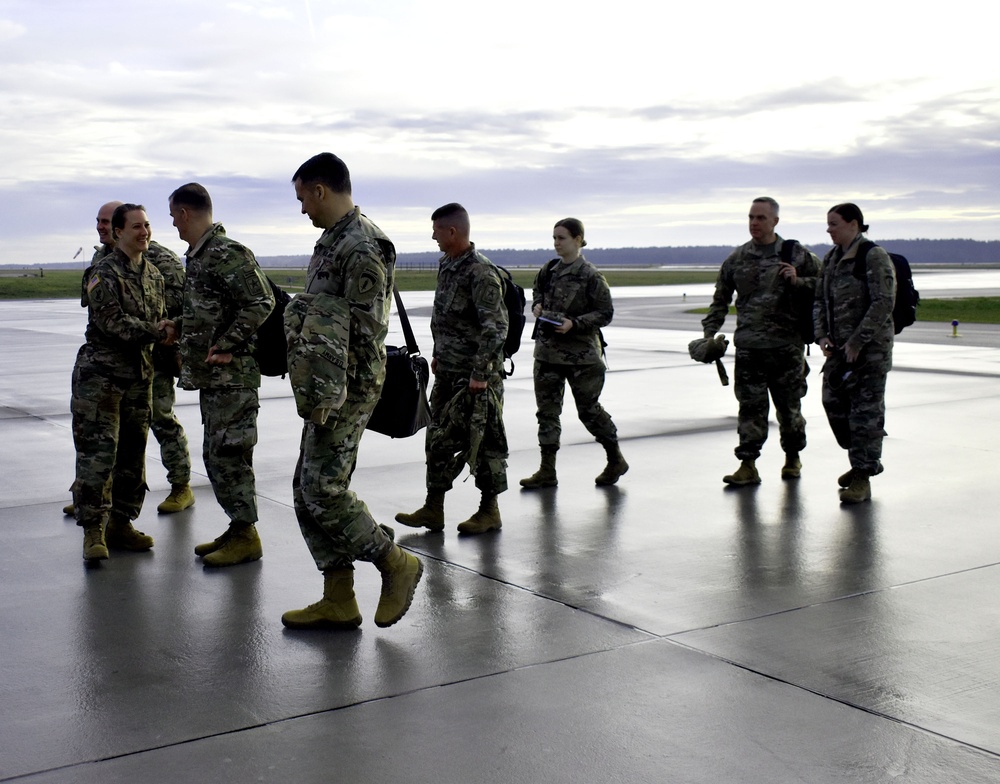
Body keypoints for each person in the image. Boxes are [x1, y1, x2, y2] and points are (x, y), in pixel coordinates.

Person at [280, 152, 423, 630]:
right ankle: (338, 596)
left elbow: (363, 328)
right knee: (306, 490)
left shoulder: (361, 247)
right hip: (326, 385)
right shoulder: (333, 241)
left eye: (303, 198)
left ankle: (394, 562)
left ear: (321, 190)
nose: (303, 209)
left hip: (348, 386)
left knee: (322, 489)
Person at [163, 183, 274, 566]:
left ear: (185, 213)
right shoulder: (200, 255)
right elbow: (212, 309)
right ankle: (238, 526)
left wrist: (227, 343)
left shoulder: (227, 252)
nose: (173, 225)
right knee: (217, 455)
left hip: (234, 378)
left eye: (174, 216)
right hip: (213, 378)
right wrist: (179, 325)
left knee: (229, 455)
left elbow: (262, 301)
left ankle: (247, 534)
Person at [64, 203, 194, 517]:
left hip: (153, 357)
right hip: (116, 361)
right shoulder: (102, 261)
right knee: (104, 436)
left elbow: (176, 304)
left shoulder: (159, 259)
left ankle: (181, 484)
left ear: (121, 225)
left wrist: (165, 335)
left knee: (160, 418)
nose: (100, 227)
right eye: (98, 221)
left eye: (106, 221)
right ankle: (98, 501)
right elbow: (102, 313)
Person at [395, 203, 509, 535]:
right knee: (436, 438)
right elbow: (447, 318)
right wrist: (439, 355)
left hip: (476, 378)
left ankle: (489, 511)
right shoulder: (447, 265)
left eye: (436, 230)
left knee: (484, 441)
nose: (433, 235)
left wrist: (481, 374)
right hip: (447, 373)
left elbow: (495, 329)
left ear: (452, 231)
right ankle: (434, 508)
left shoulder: (481, 273)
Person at [71, 204, 169, 561]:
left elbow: (157, 322)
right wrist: (156, 332)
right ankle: (93, 531)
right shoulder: (102, 273)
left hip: (139, 379)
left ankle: (121, 523)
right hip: (102, 379)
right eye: (136, 227)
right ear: (118, 232)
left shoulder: (155, 276)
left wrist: (167, 331)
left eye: (147, 225)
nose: (144, 232)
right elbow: (112, 322)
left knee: (132, 456)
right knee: (98, 457)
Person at [702, 197, 822, 485]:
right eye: (751, 217)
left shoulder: (795, 255)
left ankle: (792, 456)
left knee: (789, 409)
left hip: (786, 347)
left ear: (775, 222)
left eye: (761, 218)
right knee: (750, 410)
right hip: (749, 349)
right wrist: (708, 334)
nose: (754, 223)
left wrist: (798, 281)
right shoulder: (737, 259)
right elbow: (720, 300)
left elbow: (825, 286)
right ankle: (748, 464)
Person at [520, 218, 627, 489]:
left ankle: (615, 458)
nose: (556, 243)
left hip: (582, 358)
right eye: (554, 238)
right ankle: (547, 470)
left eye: (562, 238)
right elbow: (537, 290)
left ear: (578, 239)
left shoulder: (591, 275)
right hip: (547, 354)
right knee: (547, 413)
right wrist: (538, 305)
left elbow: (605, 313)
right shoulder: (550, 269)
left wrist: (574, 324)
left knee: (589, 411)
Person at [815, 203, 896, 504]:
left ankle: (862, 474)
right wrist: (821, 335)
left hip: (870, 353)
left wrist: (858, 342)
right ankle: (864, 459)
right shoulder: (832, 259)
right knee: (833, 403)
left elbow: (883, 302)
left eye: (833, 224)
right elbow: (819, 302)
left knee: (865, 414)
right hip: (838, 351)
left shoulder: (873, 256)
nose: (828, 230)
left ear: (853, 224)